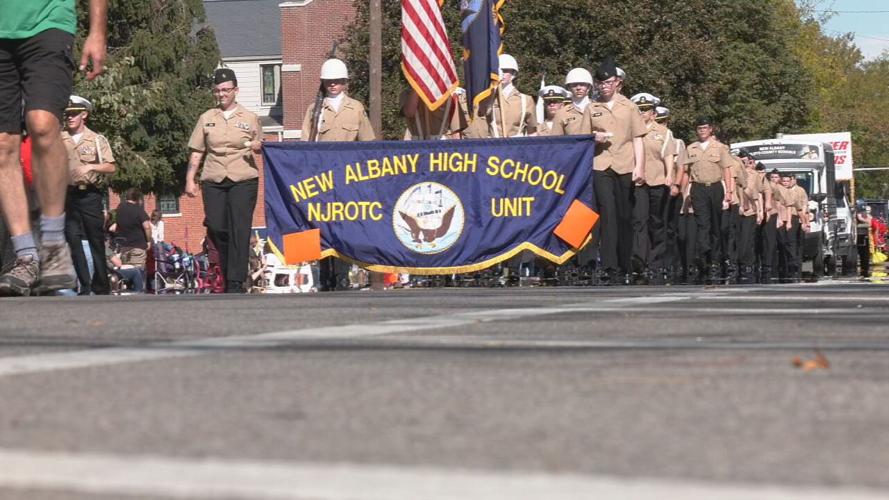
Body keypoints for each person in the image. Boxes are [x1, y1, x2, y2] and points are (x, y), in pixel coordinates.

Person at [0, 0, 107, 296]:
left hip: (49, 24)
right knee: (2, 144)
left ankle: (52, 242)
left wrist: (97, 31)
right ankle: (25, 257)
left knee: (43, 124)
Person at [186, 68, 263, 293]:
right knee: (218, 227)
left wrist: (258, 145)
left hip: (243, 178)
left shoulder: (250, 118)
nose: (222, 94)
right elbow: (197, 151)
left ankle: (236, 281)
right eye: (218, 91)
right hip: (214, 178)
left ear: (236, 90)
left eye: (226, 90)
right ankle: (229, 271)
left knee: (239, 228)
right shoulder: (207, 118)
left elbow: (259, 145)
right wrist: (190, 179)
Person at [301, 58, 375, 290]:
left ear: (345, 82)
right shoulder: (315, 109)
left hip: (348, 177)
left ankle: (342, 274)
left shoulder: (356, 108)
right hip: (320, 178)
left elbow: (368, 144)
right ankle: (324, 274)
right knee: (319, 225)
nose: (333, 85)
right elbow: (305, 144)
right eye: (328, 81)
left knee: (343, 225)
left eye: (337, 81)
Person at [587, 55, 646, 284]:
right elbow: (582, 137)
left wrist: (639, 168)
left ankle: (625, 264)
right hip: (601, 164)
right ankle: (610, 266)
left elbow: (638, 138)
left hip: (625, 164)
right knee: (607, 214)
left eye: (609, 82)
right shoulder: (593, 108)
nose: (605, 86)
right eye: (601, 83)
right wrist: (594, 137)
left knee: (624, 216)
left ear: (617, 83)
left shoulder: (629, 106)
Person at [61, 95, 116, 295]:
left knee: (95, 239)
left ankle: (101, 284)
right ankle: (84, 284)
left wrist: (90, 167)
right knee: (72, 239)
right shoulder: (59, 138)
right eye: (67, 114)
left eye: (74, 114)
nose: (70, 118)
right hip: (68, 195)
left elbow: (111, 167)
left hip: (90, 194)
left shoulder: (96, 139)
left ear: (84, 114)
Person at [630, 93, 675, 283]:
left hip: (657, 181)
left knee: (656, 222)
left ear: (653, 113)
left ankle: (655, 262)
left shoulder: (663, 132)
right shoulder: (630, 130)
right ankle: (639, 260)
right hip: (639, 181)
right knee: (640, 220)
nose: (642, 113)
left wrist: (669, 175)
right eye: (639, 110)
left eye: (646, 110)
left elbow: (668, 155)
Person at [682, 117, 733, 283]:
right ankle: (703, 257)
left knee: (716, 226)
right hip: (698, 188)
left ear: (711, 129)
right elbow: (685, 172)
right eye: (699, 128)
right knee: (702, 224)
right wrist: (685, 194)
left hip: (716, 187)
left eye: (705, 128)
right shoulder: (691, 148)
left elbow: (727, 169)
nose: (702, 131)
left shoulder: (720, 147)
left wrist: (729, 192)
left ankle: (715, 261)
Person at [488, 54, 536, 138]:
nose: (501, 73)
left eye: (505, 70)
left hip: (516, 147)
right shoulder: (488, 98)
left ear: (513, 73)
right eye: (498, 70)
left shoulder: (526, 100)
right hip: (493, 147)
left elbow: (532, 132)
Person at [400, 88, 466, 140]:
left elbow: (456, 131)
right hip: (417, 145)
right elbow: (409, 112)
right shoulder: (407, 94)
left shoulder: (450, 96)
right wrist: (416, 89)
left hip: (441, 144)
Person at [114, 188, 151, 269]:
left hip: (124, 247)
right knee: (138, 273)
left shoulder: (119, 210)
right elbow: (147, 226)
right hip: (138, 246)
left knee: (127, 273)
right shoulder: (138, 210)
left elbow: (117, 227)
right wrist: (148, 241)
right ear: (137, 198)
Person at [856, 200, 872, 279]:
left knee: (864, 254)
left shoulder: (862, 213)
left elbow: (869, 220)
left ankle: (864, 271)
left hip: (862, 235)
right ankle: (864, 271)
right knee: (864, 254)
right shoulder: (860, 213)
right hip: (860, 235)